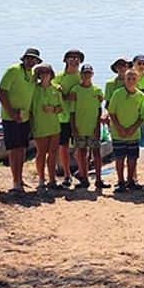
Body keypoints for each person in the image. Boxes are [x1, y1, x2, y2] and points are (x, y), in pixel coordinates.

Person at [0, 47, 41, 194]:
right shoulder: (13, 70)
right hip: (11, 118)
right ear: (24, 58)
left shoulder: (33, 75)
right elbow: (1, 92)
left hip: (25, 118)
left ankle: (20, 179)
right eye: (28, 58)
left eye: (34, 59)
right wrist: (12, 113)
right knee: (14, 150)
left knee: (22, 149)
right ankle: (15, 183)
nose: (31, 61)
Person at [108, 68, 144, 193]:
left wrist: (133, 128)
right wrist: (119, 128)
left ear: (137, 80)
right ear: (124, 79)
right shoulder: (117, 94)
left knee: (132, 159)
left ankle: (130, 181)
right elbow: (111, 112)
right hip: (118, 133)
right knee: (119, 158)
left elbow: (143, 116)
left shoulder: (141, 96)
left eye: (133, 78)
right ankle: (120, 182)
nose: (131, 81)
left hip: (133, 134)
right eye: (128, 78)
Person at [69, 63, 107, 190]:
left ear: (92, 74)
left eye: (89, 73)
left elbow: (99, 110)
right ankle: (84, 178)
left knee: (96, 154)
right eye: (85, 73)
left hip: (93, 128)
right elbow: (72, 111)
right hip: (80, 127)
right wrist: (74, 128)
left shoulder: (97, 90)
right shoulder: (75, 90)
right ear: (81, 74)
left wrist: (97, 127)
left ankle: (98, 179)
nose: (87, 75)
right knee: (82, 153)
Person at [30, 63, 63, 191]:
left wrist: (53, 109)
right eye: (42, 73)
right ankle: (41, 179)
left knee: (53, 153)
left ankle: (52, 179)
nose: (45, 75)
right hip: (40, 126)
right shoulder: (34, 89)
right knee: (41, 153)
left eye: (47, 73)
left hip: (54, 126)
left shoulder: (56, 89)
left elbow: (61, 108)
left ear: (51, 74)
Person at [56, 49, 84, 187]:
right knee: (63, 147)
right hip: (62, 118)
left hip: (79, 118)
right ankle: (67, 175)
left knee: (81, 147)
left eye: (77, 58)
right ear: (66, 60)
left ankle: (80, 172)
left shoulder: (82, 76)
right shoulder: (59, 76)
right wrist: (65, 96)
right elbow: (52, 92)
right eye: (71, 58)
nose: (74, 60)